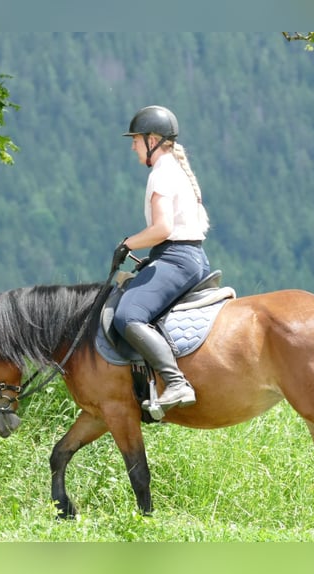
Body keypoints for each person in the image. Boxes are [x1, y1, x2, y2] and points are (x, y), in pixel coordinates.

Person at [110, 105, 211, 413]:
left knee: (127, 316)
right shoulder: (175, 171)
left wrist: (128, 244)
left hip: (176, 258)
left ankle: (176, 382)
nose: (133, 146)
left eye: (136, 140)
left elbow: (162, 229)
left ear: (152, 139)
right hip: (189, 257)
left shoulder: (162, 173)